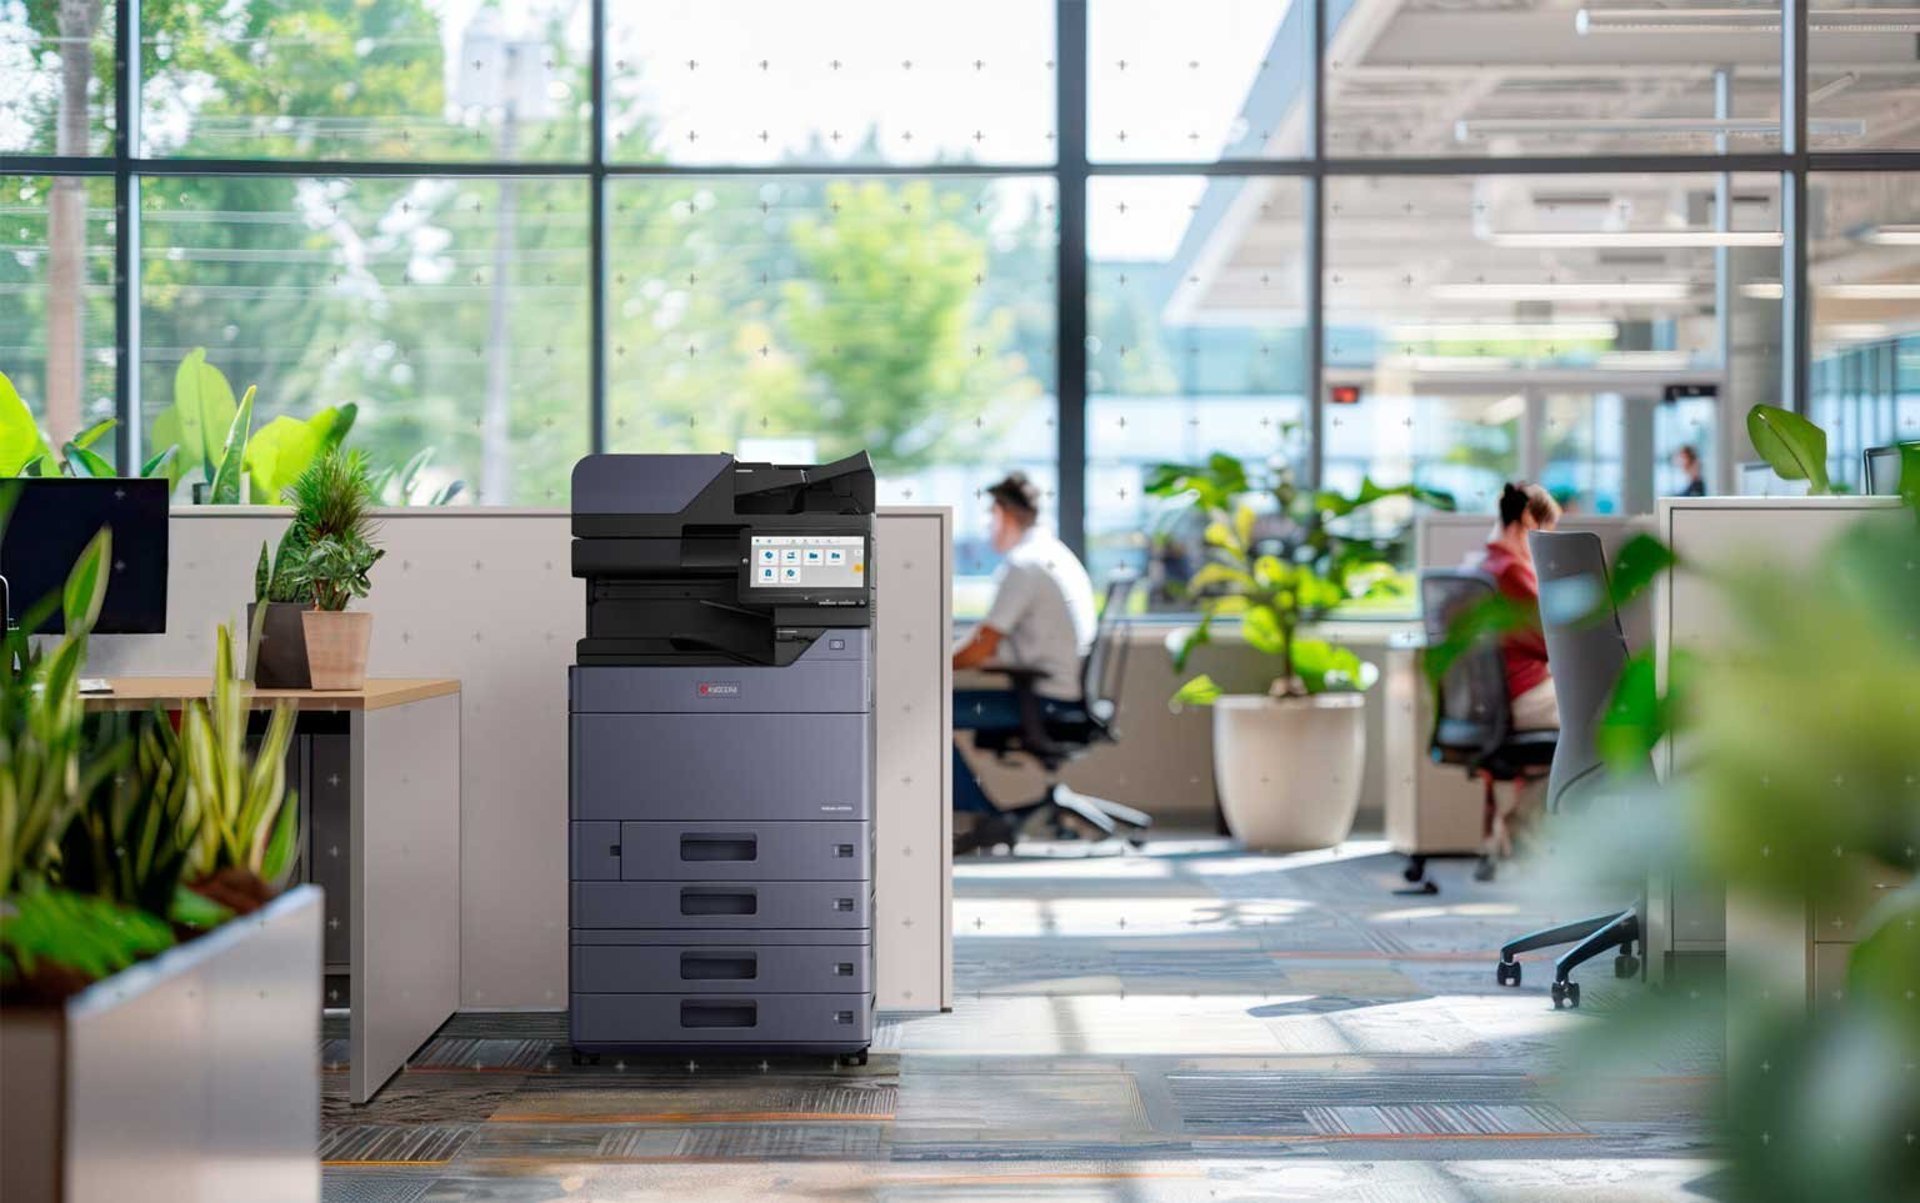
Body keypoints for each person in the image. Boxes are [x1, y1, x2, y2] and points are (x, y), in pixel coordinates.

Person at [949, 472, 1098, 828]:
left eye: (990, 517)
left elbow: (982, 646)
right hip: (1062, 694)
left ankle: (983, 818)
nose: (988, 528)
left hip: (1045, 700)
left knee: (927, 714)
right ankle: (979, 816)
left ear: (1002, 514)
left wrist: (925, 664)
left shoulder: (1024, 564)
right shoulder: (1054, 554)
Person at [1467, 481, 1562, 863]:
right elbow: (1553, 641)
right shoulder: (1511, 572)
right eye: (1545, 533)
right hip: (1521, 695)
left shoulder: (1483, 567)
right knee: (1600, 716)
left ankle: (1520, 830)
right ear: (1527, 520)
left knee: (1563, 741)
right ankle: (1524, 826)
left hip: (1498, 700)